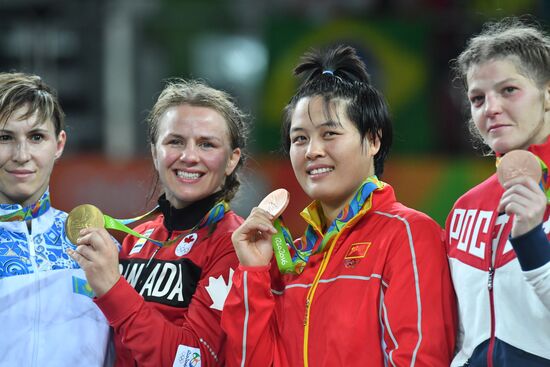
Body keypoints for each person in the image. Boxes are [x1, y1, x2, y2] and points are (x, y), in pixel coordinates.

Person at [221, 45, 457, 366]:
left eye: (329, 133)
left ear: (373, 140)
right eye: (299, 139)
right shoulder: (290, 256)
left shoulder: (409, 234)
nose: (312, 151)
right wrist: (253, 272)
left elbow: (420, 359)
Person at [68, 79, 248, 366]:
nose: (189, 156)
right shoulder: (135, 239)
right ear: (155, 153)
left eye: (207, 144)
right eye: (175, 141)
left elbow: (192, 360)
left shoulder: (237, 245)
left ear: (231, 160)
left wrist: (113, 288)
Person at [447, 18, 550, 366]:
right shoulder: (465, 208)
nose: (490, 108)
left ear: (548, 94)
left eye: (508, 90)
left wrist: (533, 241)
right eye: (478, 98)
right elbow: (459, 335)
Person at [0, 72, 113, 366]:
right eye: (5, 138)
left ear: (59, 144)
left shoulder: (99, 247)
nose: (21, 155)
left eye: (36, 137)